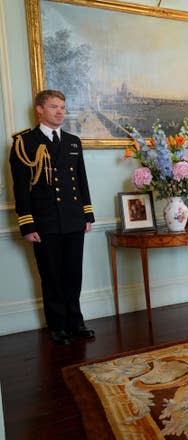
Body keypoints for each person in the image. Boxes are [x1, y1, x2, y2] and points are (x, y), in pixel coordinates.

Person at [9, 89, 96, 346]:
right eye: (54, 107)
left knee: (73, 274)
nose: (60, 112)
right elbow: (21, 187)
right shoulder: (25, 143)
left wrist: (87, 214)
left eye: (62, 107)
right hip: (44, 222)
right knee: (52, 276)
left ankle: (75, 322)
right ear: (39, 110)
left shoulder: (72, 141)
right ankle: (58, 325)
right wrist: (27, 224)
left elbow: (81, 180)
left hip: (72, 219)